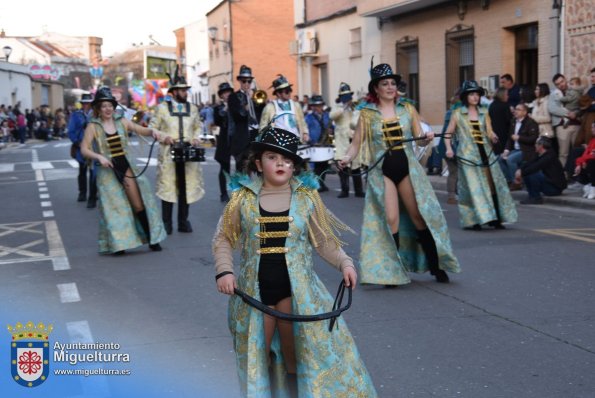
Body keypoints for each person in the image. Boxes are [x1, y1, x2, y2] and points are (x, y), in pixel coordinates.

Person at [212, 127, 377, 397]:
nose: (280, 163)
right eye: (272, 157)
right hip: (253, 294)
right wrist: (224, 271)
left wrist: (345, 263)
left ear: (294, 166)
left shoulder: (306, 197)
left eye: (287, 160)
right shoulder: (241, 198)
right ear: (258, 163)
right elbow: (223, 239)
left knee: (295, 358)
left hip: (295, 293)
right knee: (256, 359)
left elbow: (324, 241)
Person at [340, 61, 459, 285]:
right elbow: (356, 144)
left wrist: (426, 137)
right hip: (382, 172)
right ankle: (393, 272)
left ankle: (436, 267)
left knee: (418, 216)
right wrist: (346, 158)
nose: (390, 87)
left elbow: (420, 137)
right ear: (376, 88)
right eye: (384, 83)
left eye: (393, 83)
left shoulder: (407, 109)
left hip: (406, 169)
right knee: (391, 219)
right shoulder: (367, 115)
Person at [80, 87, 166, 254]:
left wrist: (153, 131)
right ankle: (119, 244)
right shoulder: (93, 126)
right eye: (103, 106)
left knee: (138, 204)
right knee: (115, 208)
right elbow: (84, 149)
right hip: (107, 170)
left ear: (114, 107)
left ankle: (152, 240)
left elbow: (141, 130)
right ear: (98, 108)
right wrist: (99, 157)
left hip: (125, 166)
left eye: (110, 105)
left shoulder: (122, 122)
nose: (107, 109)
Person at [444, 80, 518, 230]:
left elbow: (489, 130)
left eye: (477, 94)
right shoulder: (457, 114)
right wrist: (448, 148)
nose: (475, 97)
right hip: (468, 155)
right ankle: (474, 220)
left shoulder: (484, 111)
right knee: (473, 187)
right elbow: (448, 133)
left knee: (492, 185)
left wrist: (493, 136)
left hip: (486, 153)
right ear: (465, 96)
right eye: (472, 94)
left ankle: (495, 219)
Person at [149, 66, 205, 234]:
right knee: (168, 186)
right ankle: (167, 223)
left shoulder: (193, 108)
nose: (185, 93)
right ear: (173, 92)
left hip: (188, 152)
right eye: (181, 90)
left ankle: (183, 221)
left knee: (185, 186)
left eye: (185, 90)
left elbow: (198, 126)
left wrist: (196, 137)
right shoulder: (162, 109)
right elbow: (153, 127)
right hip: (168, 152)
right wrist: (164, 137)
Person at [330, 82, 364, 198]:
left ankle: (359, 191)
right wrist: (344, 107)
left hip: (353, 139)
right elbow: (332, 116)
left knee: (356, 167)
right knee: (342, 168)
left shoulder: (355, 107)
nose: (348, 98)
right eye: (345, 96)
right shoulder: (337, 107)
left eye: (349, 96)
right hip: (342, 141)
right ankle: (344, 190)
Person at [516, 136, 567, 204]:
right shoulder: (540, 154)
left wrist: (521, 173)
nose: (535, 145)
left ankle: (536, 198)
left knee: (533, 173)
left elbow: (535, 167)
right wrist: (520, 170)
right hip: (549, 183)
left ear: (541, 145)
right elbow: (529, 163)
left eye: (536, 144)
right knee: (527, 170)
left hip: (555, 188)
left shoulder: (549, 156)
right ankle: (531, 195)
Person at [68, 94, 98, 208]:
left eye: (88, 103)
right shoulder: (76, 115)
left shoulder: (96, 115)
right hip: (81, 146)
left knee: (94, 172)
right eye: (84, 103)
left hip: (94, 147)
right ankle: (82, 193)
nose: (86, 105)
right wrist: (77, 143)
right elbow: (71, 131)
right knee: (82, 170)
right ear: (82, 104)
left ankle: (93, 195)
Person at [259, 75, 309, 143]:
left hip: (295, 140)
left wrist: (305, 133)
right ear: (278, 93)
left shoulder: (296, 105)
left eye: (290, 90)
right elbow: (263, 126)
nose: (289, 93)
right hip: (278, 142)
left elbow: (302, 122)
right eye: (286, 91)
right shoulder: (269, 107)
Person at [228, 65, 260, 171]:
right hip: (242, 140)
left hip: (255, 137)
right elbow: (237, 116)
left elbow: (262, 113)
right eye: (244, 81)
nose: (247, 84)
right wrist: (246, 105)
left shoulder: (256, 96)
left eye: (249, 81)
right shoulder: (233, 97)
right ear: (239, 81)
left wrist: (256, 100)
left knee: (258, 172)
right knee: (242, 171)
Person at [501, 103, 539, 189]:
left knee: (510, 160)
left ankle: (517, 182)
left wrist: (520, 138)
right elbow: (510, 138)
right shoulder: (513, 121)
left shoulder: (531, 123)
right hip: (515, 149)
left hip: (526, 150)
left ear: (525, 112)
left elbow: (533, 139)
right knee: (500, 158)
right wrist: (506, 150)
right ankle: (509, 180)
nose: (515, 111)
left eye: (518, 109)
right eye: (515, 109)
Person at [549, 73, 580, 171]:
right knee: (563, 153)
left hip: (576, 125)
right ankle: (563, 176)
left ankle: (577, 176)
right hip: (562, 127)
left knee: (577, 151)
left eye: (562, 81)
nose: (561, 84)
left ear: (565, 79)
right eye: (558, 84)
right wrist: (568, 113)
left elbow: (581, 106)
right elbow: (552, 109)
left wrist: (576, 113)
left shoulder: (575, 91)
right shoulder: (554, 94)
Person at [437, 91, 463, 204]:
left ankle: (453, 195)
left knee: (453, 171)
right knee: (456, 172)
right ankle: (453, 195)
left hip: (445, 145)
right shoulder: (458, 113)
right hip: (453, 145)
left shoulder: (449, 112)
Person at [305, 94, 333, 192]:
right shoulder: (308, 117)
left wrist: (331, 132)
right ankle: (317, 184)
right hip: (314, 144)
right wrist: (307, 138)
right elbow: (305, 129)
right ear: (312, 106)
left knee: (324, 165)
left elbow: (332, 128)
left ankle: (322, 183)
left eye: (320, 105)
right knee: (317, 166)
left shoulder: (327, 116)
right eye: (316, 106)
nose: (318, 108)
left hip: (325, 144)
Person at [213, 82, 234, 202]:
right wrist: (225, 109)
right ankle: (223, 193)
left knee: (242, 166)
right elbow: (217, 121)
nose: (227, 94)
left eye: (229, 92)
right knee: (224, 168)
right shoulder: (218, 108)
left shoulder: (236, 105)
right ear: (221, 95)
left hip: (236, 139)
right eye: (225, 93)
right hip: (224, 140)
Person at [574, 121, 595, 199]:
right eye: (592, 127)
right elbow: (586, 154)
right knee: (578, 160)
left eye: (593, 127)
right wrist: (580, 163)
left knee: (591, 162)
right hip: (590, 160)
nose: (592, 129)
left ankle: (593, 186)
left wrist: (583, 160)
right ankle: (588, 185)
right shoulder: (592, 140)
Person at [488, 87, 512, 155]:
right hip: (504, 134)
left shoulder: (492, 105)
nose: (508, 96)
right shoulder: (505, 106)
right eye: (507, 94)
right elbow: (509, 120)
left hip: (494, 133)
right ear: (502, 95)